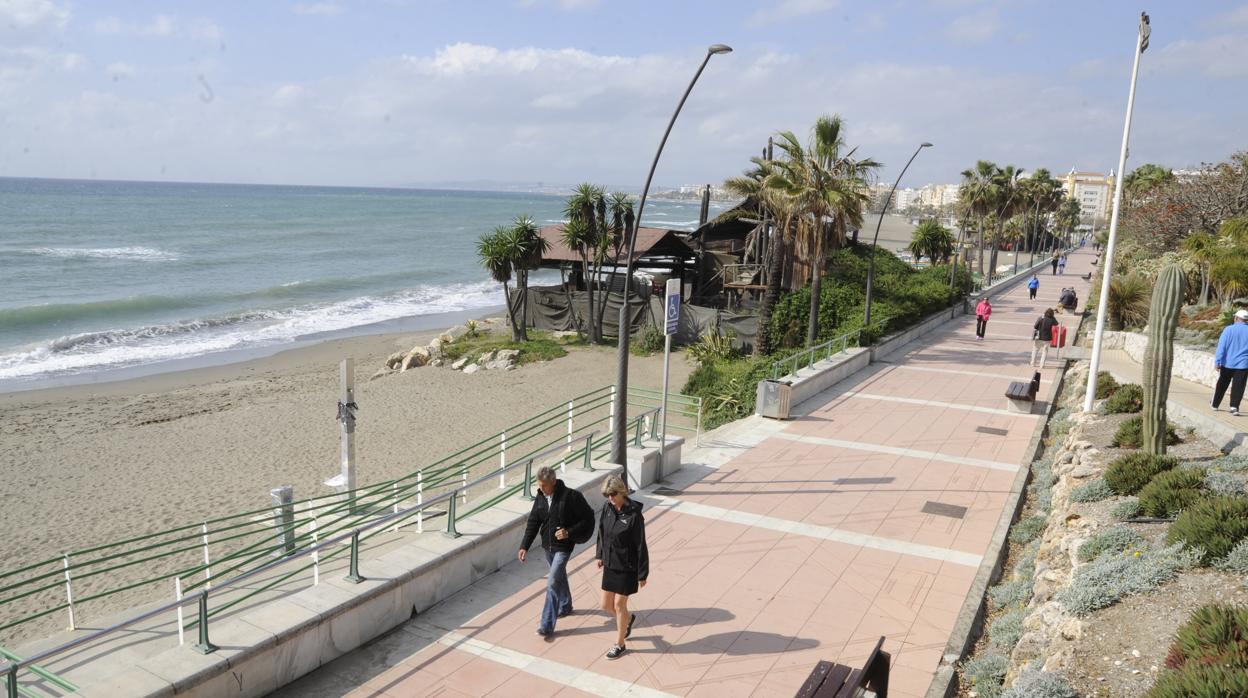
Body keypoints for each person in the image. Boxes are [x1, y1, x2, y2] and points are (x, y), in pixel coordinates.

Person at [519, 466, 595, 638]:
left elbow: (587, 518)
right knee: (559, 576)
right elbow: (533, 522)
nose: (540, 489)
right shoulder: (540, 497)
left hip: (564, 547)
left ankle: (546, 625)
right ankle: (566, 605)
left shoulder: (571, 497)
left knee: (552, 581)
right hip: (548, 547)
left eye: (543, 485)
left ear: (553, 482)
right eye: (538, 485)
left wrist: (569, 532)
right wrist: (524, 546)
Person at [596, 474, 648, 659]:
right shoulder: (607, 508)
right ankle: (628, 618)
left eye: (613, 494)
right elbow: (602, 531)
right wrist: (600, 554)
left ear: (622, 491)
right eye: (607, 495)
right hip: (610, 563)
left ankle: (620, 644)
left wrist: (642, 573)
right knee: (605, 605)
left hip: (627, 566)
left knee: (619, 605)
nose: (610, 498)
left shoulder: (634, 515)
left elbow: (641, 544)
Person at [1212, 309, 1248, 415]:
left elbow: (1221, 347)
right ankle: (1234, 407)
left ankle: (1215, 404)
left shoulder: (1228, 329)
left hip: (1228, 363)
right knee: (1239, 386)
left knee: (1222, 384)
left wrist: (1218, 361)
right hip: (1243, 364)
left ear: (1236, 318)